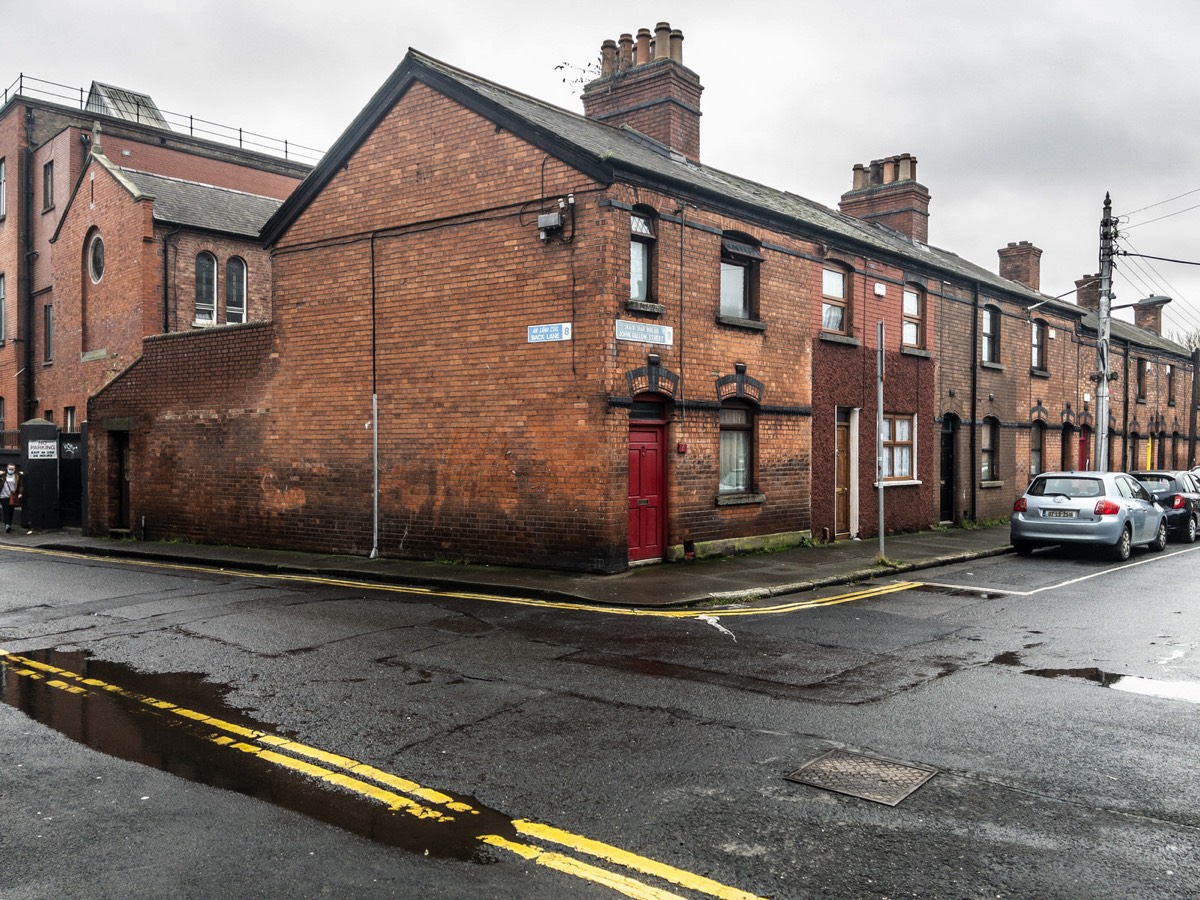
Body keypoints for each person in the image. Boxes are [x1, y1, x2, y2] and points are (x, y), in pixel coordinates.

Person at [1, 463, 24, 533]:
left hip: (12, 496)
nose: (11, 470)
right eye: (10, 469)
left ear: (14, 469)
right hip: (3, 496)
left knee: (11, 511)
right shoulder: (2, 475)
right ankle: (7, 525)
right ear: (7, 468)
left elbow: (20, 485)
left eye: (12, 469)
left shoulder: (17, 476)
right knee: (6, 510)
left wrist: (20, 493)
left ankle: (9, 525)